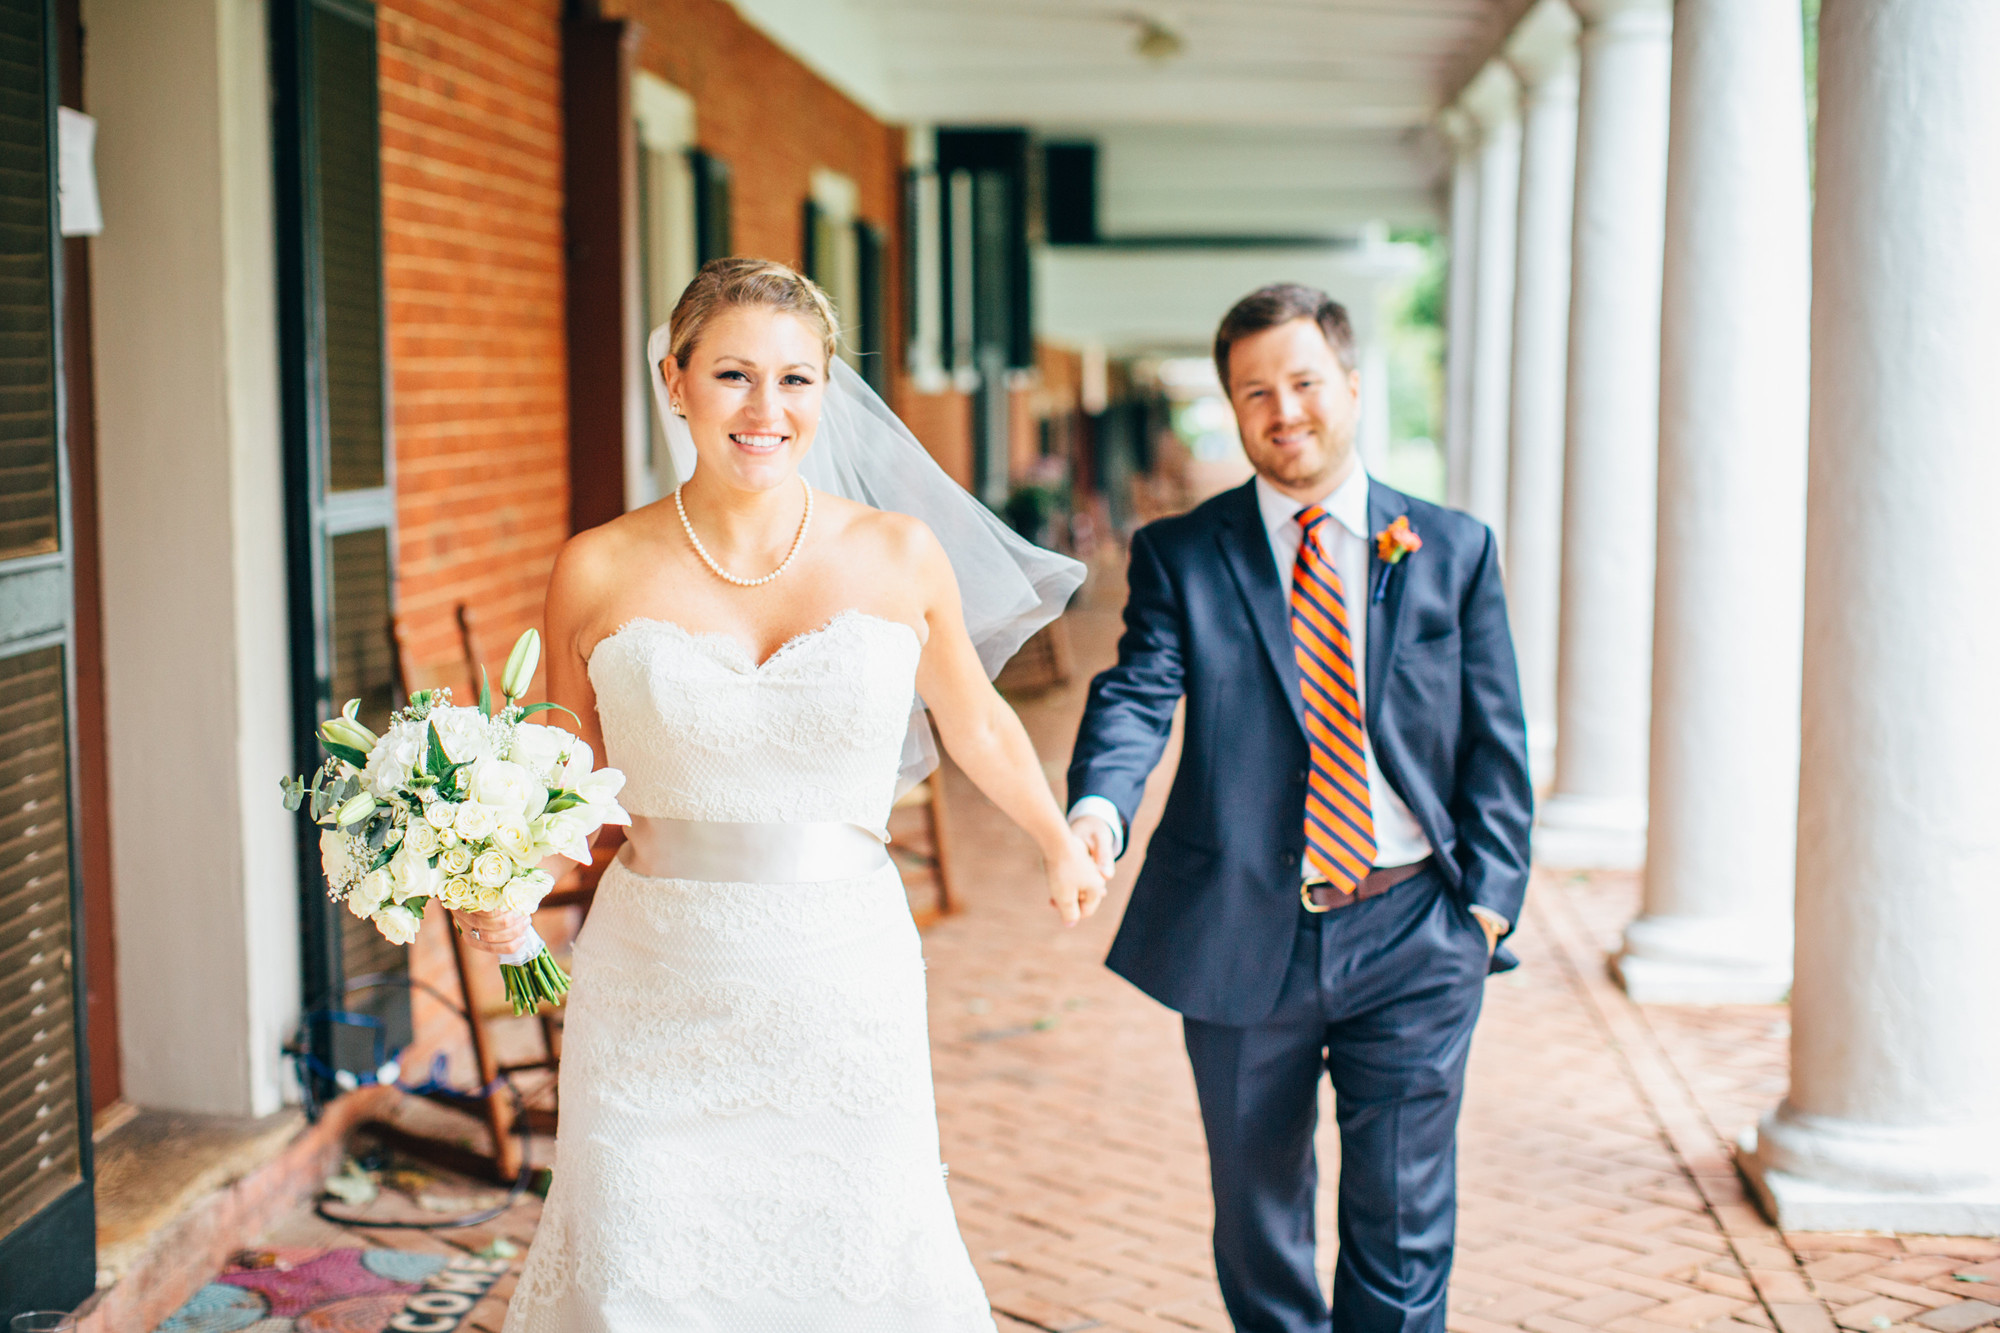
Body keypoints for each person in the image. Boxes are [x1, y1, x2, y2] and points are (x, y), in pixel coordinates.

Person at [456, 257, 1105, 1332]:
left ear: (827, 390)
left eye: (796, 380)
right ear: (674, 381)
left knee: (844, 1264)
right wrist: (504, 883)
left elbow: (977, 719)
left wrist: (1053, 838)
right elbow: (555, 777)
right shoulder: (597, 566)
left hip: (841, 979)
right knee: (639, 1265)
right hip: (652, 987)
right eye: (732, 376)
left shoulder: (896, 552)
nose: (766, 409)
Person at [1066, 284, 1532, 1333]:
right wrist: (1098, 808)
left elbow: (1493, 743)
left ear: (1351, 386)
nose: (1284, 411)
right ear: (1231, 409)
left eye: (1304, 382)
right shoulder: (1183, 553)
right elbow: (1139, 691)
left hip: (1414, 925)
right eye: (1254, 392)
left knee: (1404, 1220)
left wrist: (1486, 906)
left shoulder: (1448, 547)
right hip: (1241, 927)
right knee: (1256, 1220)